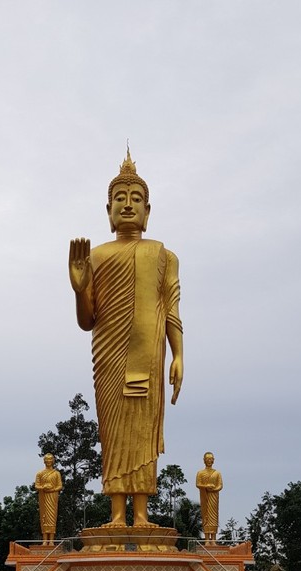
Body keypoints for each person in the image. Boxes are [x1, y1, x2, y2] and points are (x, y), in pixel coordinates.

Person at [69, 150, 183, 528]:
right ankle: (117, 514)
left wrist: (178, 355)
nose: (128, 205)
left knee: (142, 434)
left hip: (148, 358)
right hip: (110, 358)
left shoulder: (163, 255)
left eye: (136, 199)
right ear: (108, 211)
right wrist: (80, 288)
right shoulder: (97, 256)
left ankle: (142, 514)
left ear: (148, 212)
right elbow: (88, 321)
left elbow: (171, 309)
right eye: (121, 199)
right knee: (115, 433)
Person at [35, 453, 63, 545]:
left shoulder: (56, 473)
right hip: (43, 496)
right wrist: (43, 487)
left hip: (53, 497)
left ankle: (51, 540)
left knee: (52, 517)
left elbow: (60, 486)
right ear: (44, 461)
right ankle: (44, 540)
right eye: (46, 459)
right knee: (44, 517)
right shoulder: (40, 473)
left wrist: (52, 489)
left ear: (53, 461)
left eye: (50, 459)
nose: (48, 461)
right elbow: (36, 485)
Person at [196, 452, 223, 543]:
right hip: (205, 496)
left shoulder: (217, 473)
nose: (209, 461)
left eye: (211, 459)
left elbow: (220, 485)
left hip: (214, 496)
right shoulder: (200, 473)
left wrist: (214, 489)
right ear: (204, 460)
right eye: (207, 459)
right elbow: (198, 484)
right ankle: (207, 538)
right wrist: (206, 486)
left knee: (214, 516)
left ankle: (214, 539)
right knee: (205, 516)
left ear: (213, 460)